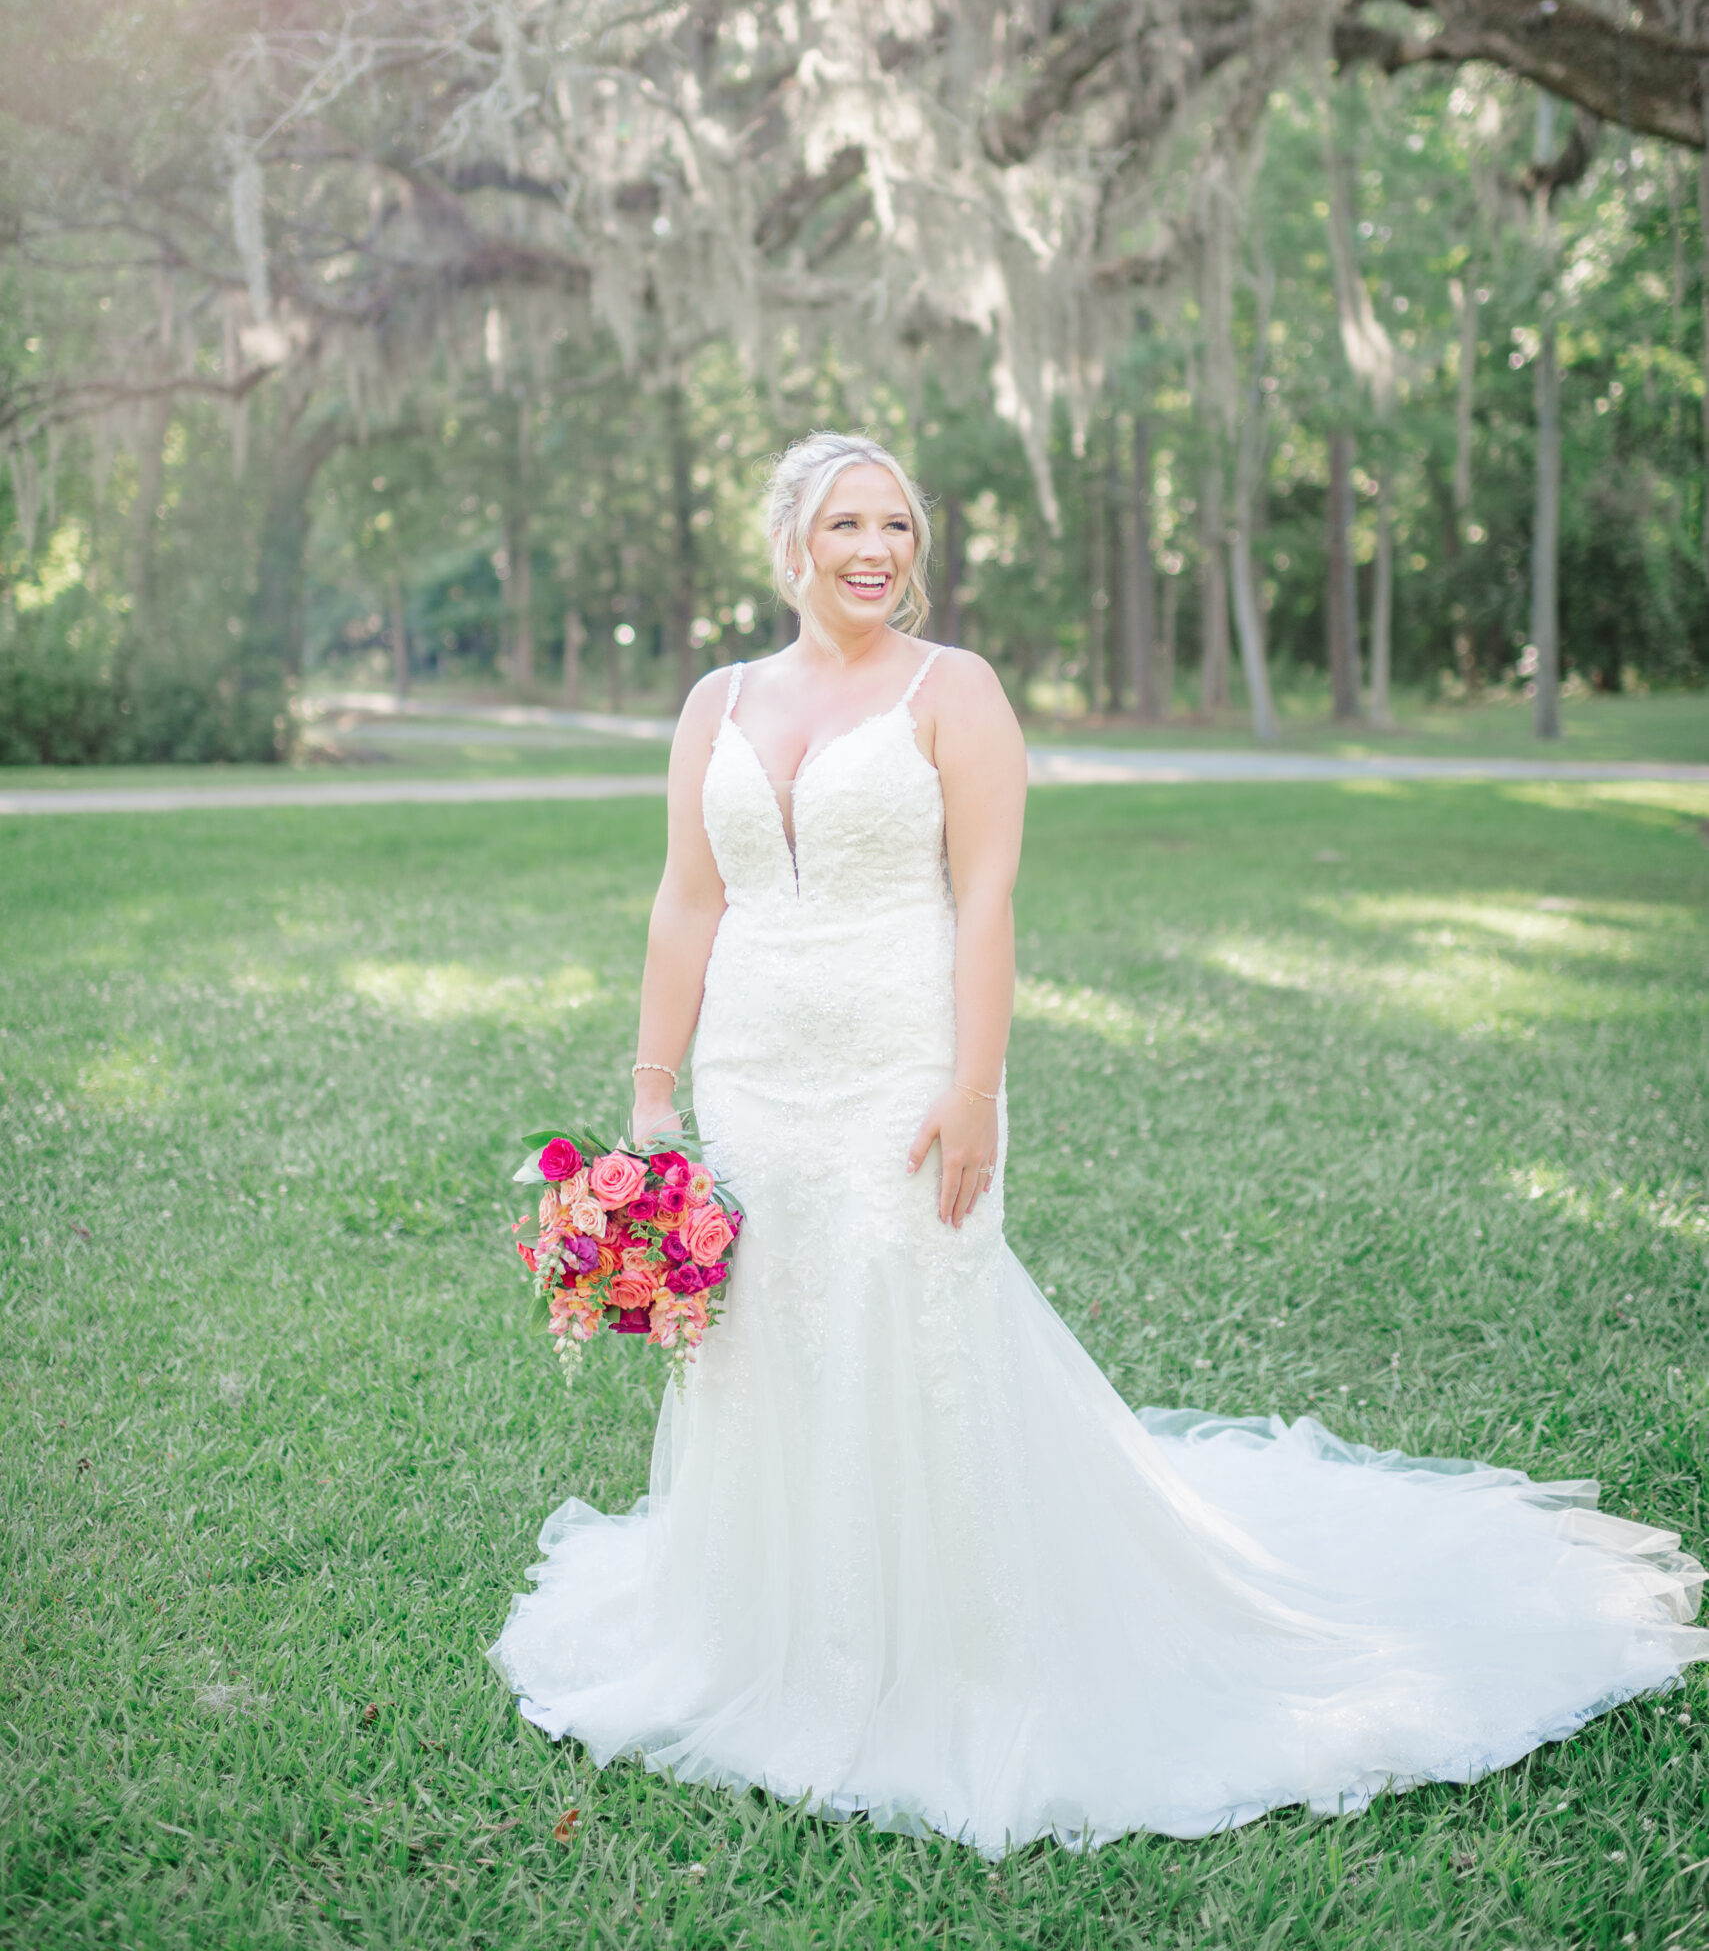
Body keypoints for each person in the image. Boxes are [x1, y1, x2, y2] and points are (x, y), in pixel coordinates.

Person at [490, 429, 1707, 1853]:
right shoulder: (717, 702)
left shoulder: (957, 694)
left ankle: (960, 1653)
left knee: (913, 1316)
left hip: (900, 1067)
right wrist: (652, 1096)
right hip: (755, 1074)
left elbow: (988, 901)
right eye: (846, 525)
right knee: (769, 1332)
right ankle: (775, 1625)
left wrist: (973, 1093)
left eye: (896, 524)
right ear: (790, 546)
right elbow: (686, 903)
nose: (877, 548)